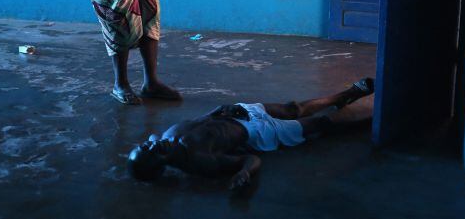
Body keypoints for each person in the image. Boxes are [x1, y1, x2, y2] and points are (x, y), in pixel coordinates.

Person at [127, 78, 375, 189]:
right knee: (321, 124)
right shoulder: (200, 161)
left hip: (237, 114)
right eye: (153, 152)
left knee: (294, 107)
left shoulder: (166, 137)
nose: (153, 145)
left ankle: (348, 93)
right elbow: (250, 159)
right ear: (163, 165)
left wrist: (218, 110)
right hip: (259, 132)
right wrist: (245, 173)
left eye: (146, 146)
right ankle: (372, 122)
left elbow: (201, 121)